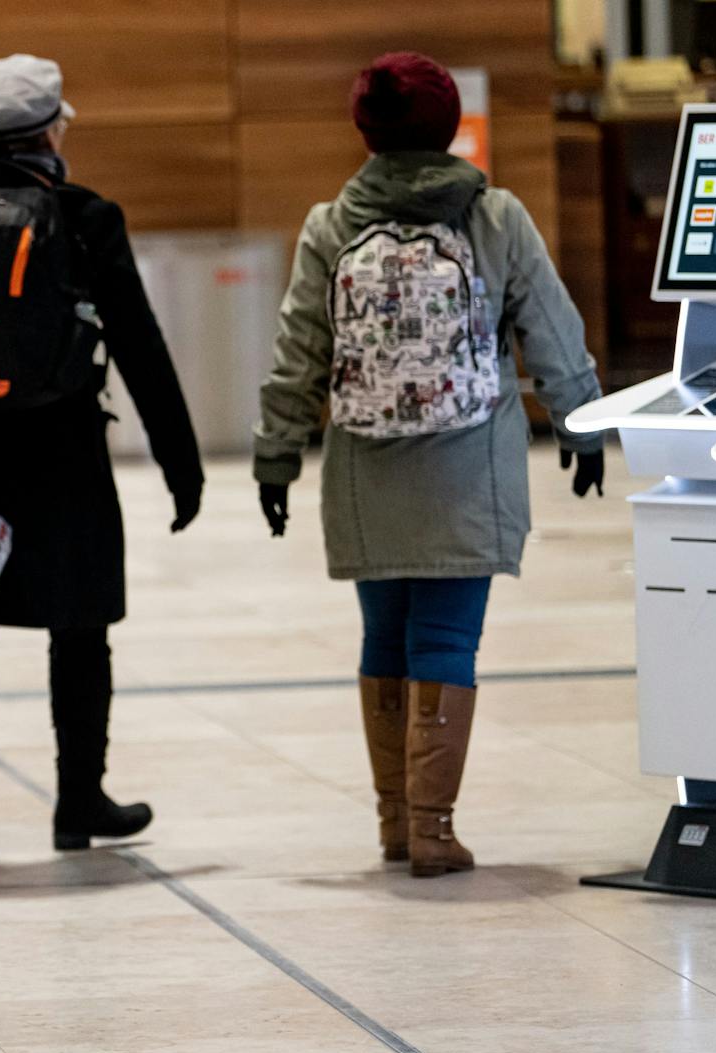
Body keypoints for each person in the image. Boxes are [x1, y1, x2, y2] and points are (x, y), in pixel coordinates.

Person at [253, 52, 606, 878]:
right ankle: (436, 830)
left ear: (365, 129)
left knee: (385, 635)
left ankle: (395, 824)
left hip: (365, 467)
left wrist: (275, 453)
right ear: (449, 126)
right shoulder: (497, 216)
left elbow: (300, 348)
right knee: (446, 638)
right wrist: (582, 426)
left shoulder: (331, 223)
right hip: (466, 465)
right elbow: (552, 329)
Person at [0, 54, 205, 874]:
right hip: (63, 451)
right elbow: (137, 338)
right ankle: (77, 802)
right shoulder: (87, 214)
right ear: (54, 128)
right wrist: (180, 460)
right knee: (80, 627)